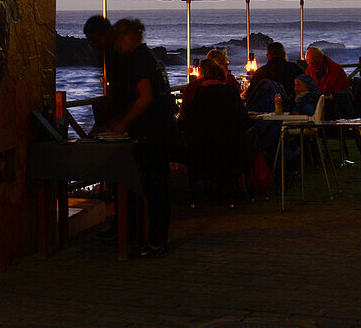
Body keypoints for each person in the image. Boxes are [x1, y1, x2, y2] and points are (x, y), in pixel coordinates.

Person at [106, 18, 176, 257]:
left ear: (129, 36)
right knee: (157, 188)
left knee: (154, 189)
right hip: (163, 129)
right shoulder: (150, 58)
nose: (115, 45)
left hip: (151, 132)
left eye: (118, 38)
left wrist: (122, 123)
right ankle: (155, 239)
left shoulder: (139, 60)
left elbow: (145, 97)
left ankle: (157, 242)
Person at [178, 58, 252, 207]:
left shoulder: (193, 92)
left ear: (200, 73)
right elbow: (244, 121)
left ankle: (193, 193)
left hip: (200, 150)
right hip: (228, 151)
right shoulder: (230, 91)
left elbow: (183, 122)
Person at [305, 46, 355, 119]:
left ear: (321, 58)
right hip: (316, 103)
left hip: (332, 104)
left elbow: (342, 90)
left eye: (313, 62)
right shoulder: (309, 70)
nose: (311, 66)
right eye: (309, 63)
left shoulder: (335, 69)